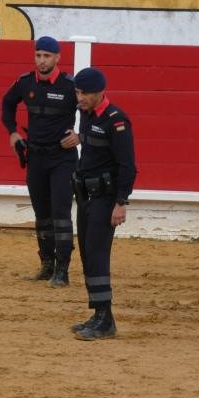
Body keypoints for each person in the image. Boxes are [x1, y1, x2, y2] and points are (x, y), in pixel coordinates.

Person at [1, 36, 79, 287]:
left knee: (60, 212)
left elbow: (92, 109)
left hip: (62, 158)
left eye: (47, 56)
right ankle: (46, 264)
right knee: (42, 213)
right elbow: (7, 103)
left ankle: (63, 269)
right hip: (36, 156)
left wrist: (81, 136)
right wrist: (13, 132)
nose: (42, 60)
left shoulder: (70, 86)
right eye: (38, 55)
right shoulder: (25, 83)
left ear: (58, 58)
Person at [70, 67, 136, 341]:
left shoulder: (117, 120)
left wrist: (121, 203)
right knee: (87, 253)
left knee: (97, 255)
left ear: (99, 93)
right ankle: (98, 312)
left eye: (85, 93)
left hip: (105, 198)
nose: (80, 97)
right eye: (78, 92)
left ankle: (106, 320)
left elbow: (127, 166)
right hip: (86, 194)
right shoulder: (86, 115)